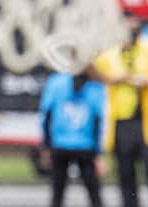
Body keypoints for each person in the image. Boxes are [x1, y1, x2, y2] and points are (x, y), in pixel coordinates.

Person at [94, 10, 148, 207]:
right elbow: (95, 74)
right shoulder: (109, 53)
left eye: (133, 23)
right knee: (126, 175)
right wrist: (114, 79)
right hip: (121, 123)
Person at [39, 64, 107, 207]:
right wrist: (98, 154)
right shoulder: (95, 86)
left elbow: (46, 116)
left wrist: (46, 145)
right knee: (94, 193)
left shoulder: (56, 82)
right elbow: (98, 122)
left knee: (58, 192)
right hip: (84, 145)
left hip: (61, 143)